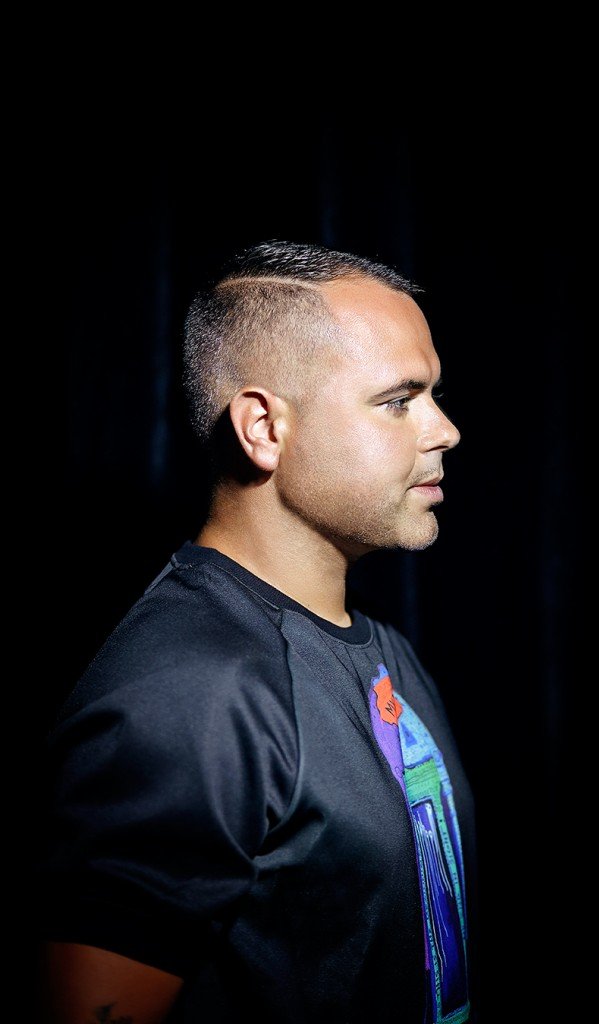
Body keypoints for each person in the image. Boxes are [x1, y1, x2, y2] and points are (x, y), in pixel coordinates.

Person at [36, 240, 478, 1023]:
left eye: (434, 395)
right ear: (264, 427)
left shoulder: (385, 654)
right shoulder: (191, 693)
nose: (445, 430)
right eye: (398, 400)